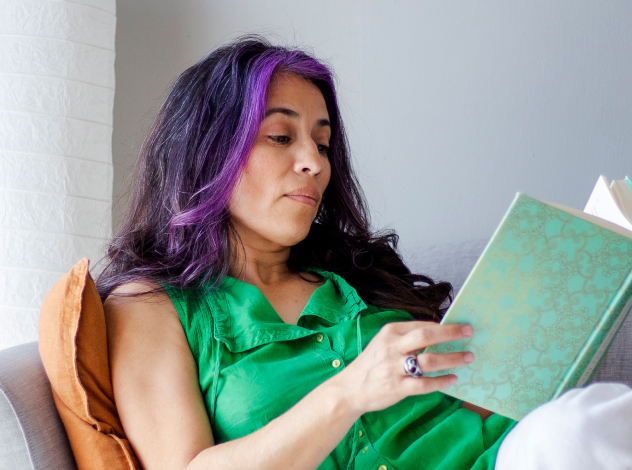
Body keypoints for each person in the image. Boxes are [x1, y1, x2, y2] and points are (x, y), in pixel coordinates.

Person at [97, 36, 632, 470]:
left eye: (323, 143)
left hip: (504, 454)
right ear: (207, 151)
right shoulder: (151, 306)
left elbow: (469, 399)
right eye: (281, 136)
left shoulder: (357, 275)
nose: (315, 162)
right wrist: (351, 390)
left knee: (588, 422)